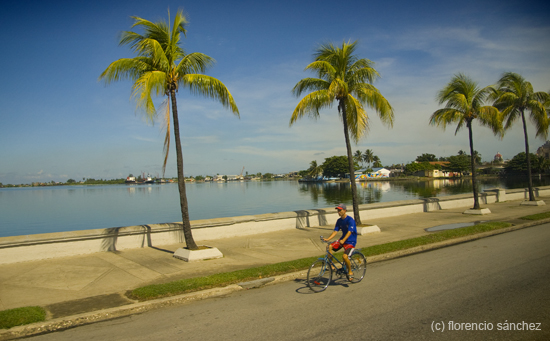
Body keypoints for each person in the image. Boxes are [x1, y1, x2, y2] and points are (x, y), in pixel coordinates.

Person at [323, 203, 357, 281]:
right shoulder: (339, 221)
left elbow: (349, 232)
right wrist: (328, 239)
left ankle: (350, 272)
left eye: (340, 210)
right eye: (338, 210)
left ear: (344, 211)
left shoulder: (350, 220)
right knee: (329, 246)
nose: (338, 212)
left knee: (345, 257)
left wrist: (344, 240)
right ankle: (331, 265)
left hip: (350, 242)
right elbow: (335, 231)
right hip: (342, 240)